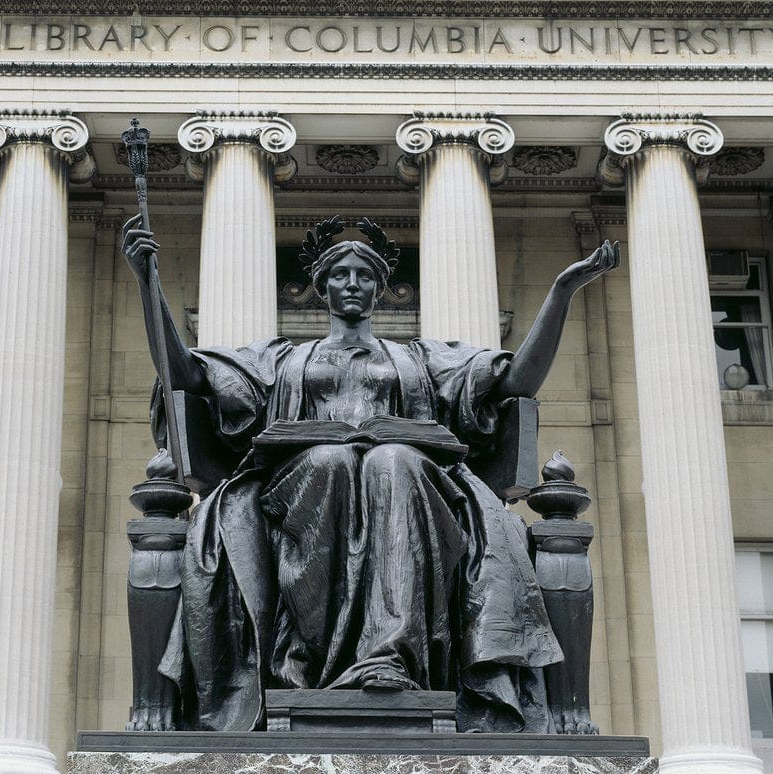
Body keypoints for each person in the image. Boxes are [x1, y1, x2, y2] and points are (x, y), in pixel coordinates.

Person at [122, 216, 619, 733]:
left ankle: (390, 657)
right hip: (304, 483)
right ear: (322, 287)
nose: (352, 284)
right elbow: (185, 374)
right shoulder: (281, 360)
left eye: (364, 276)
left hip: (409, 483)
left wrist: (562, 293)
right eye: (341, 275)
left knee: (393, 460)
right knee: (330, 461)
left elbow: (516, 381)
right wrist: (148, 283)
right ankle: (305, 663)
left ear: (379, 289)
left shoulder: (420, 360)